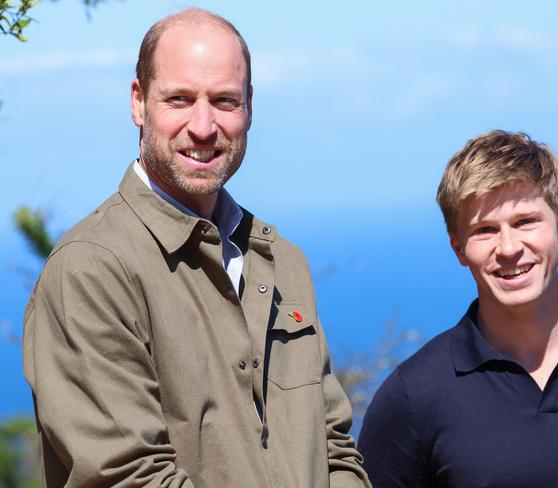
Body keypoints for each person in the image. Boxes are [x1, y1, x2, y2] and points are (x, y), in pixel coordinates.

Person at [23, 8, 370, 487]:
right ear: (138, 102)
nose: (203, 126)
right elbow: (128, 476)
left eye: (224, 100)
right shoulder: (92, 270)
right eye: (180, 99)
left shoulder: (281, 261)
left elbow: (334, 448)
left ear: (249, 105)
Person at [358, 130, 558, 487]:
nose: (509, 248)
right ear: (458, 248)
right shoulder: (413, 397)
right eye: (485, 230)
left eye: (525, 221)